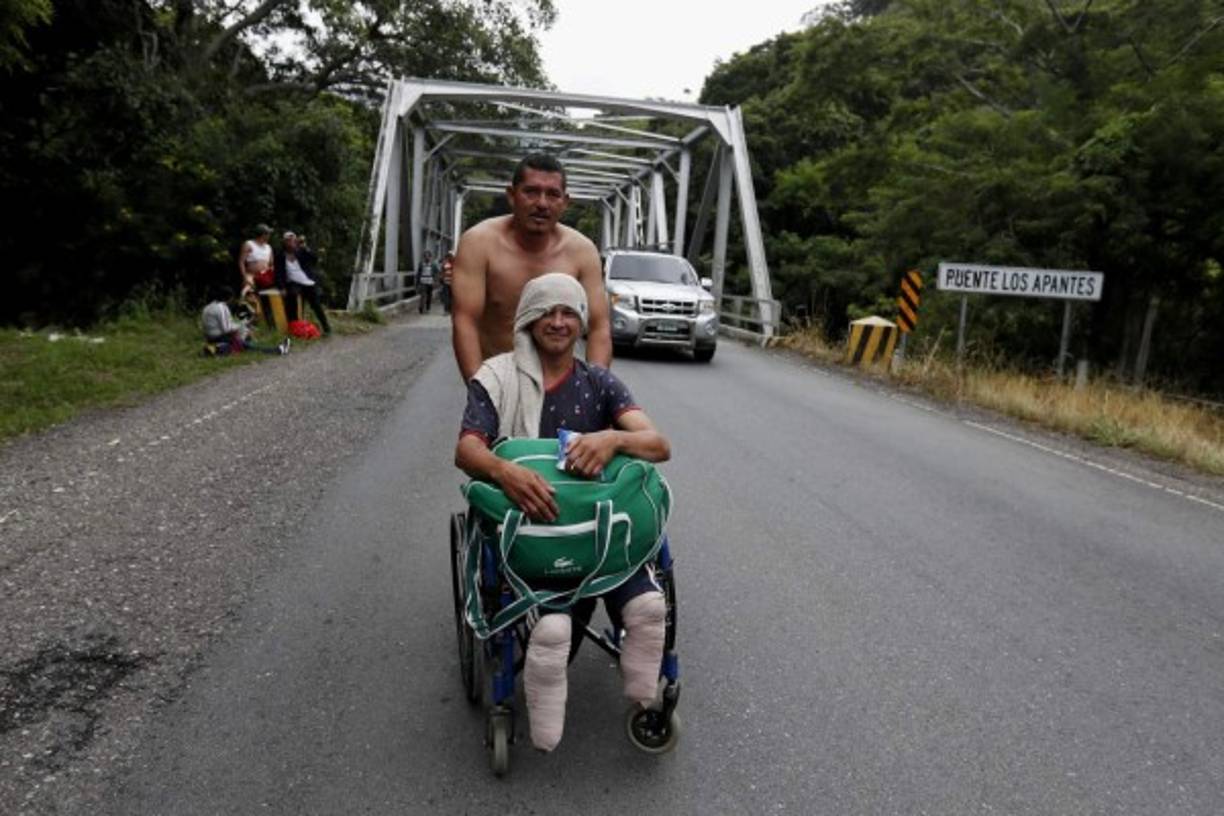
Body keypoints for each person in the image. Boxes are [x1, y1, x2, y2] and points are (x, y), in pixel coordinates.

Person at [454, 273, 670, 752]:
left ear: (581, 322)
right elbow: (467, 451)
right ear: (528, 320)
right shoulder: (497, 377)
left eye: (569, 312)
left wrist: (612, 437)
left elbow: (657, 445)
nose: (557, 322)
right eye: (546, 312)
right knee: (553, 620)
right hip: (533, 522)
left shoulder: (599, 382)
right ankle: (548, 626)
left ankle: (640, 659)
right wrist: (504, 472)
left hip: (595, 523)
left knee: (646, 602)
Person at [450, 153, 612, 381]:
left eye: (553, 194)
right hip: (497, 381)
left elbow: (599, 328)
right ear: (512, 195)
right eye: (531, 192)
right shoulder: (479, 243)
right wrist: (480, 392)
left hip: (560, 389)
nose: (542, 204)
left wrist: (595, 392)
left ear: (565, 202)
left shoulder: (582, 252)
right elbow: (464, 320)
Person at [274, 231, 332, 336]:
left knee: (316, 304)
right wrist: (281, 287)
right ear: (285, 242)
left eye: (293, 240)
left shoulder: (301, 251)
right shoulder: (280, 255)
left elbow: (315, 260)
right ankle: (294, 326)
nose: (291, 243)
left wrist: (306, 248)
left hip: (307, 281)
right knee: (291, 296)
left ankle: (326, 327)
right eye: (288, 241)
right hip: (293, 282)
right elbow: (278, 273)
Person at [201, 289, 290, 356]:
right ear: (228, 298)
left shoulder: (207, 308)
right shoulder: (221, 307)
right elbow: (226, 328)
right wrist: (242, 325)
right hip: (221, 338)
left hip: (210, 338)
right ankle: (278, 350)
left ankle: (235, 346)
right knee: (247, 345)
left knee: (244, 339)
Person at [238, 224, 275, 304]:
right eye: (268, 234)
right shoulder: (249, 244)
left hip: (265, 276)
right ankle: (243, 309)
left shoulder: (269, 247)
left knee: (272, 295)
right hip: (252, 274)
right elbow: (241, 262)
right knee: (248, 292)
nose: (269, 236)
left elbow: (271, 264)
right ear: (263, 234)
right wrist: (244, 277)